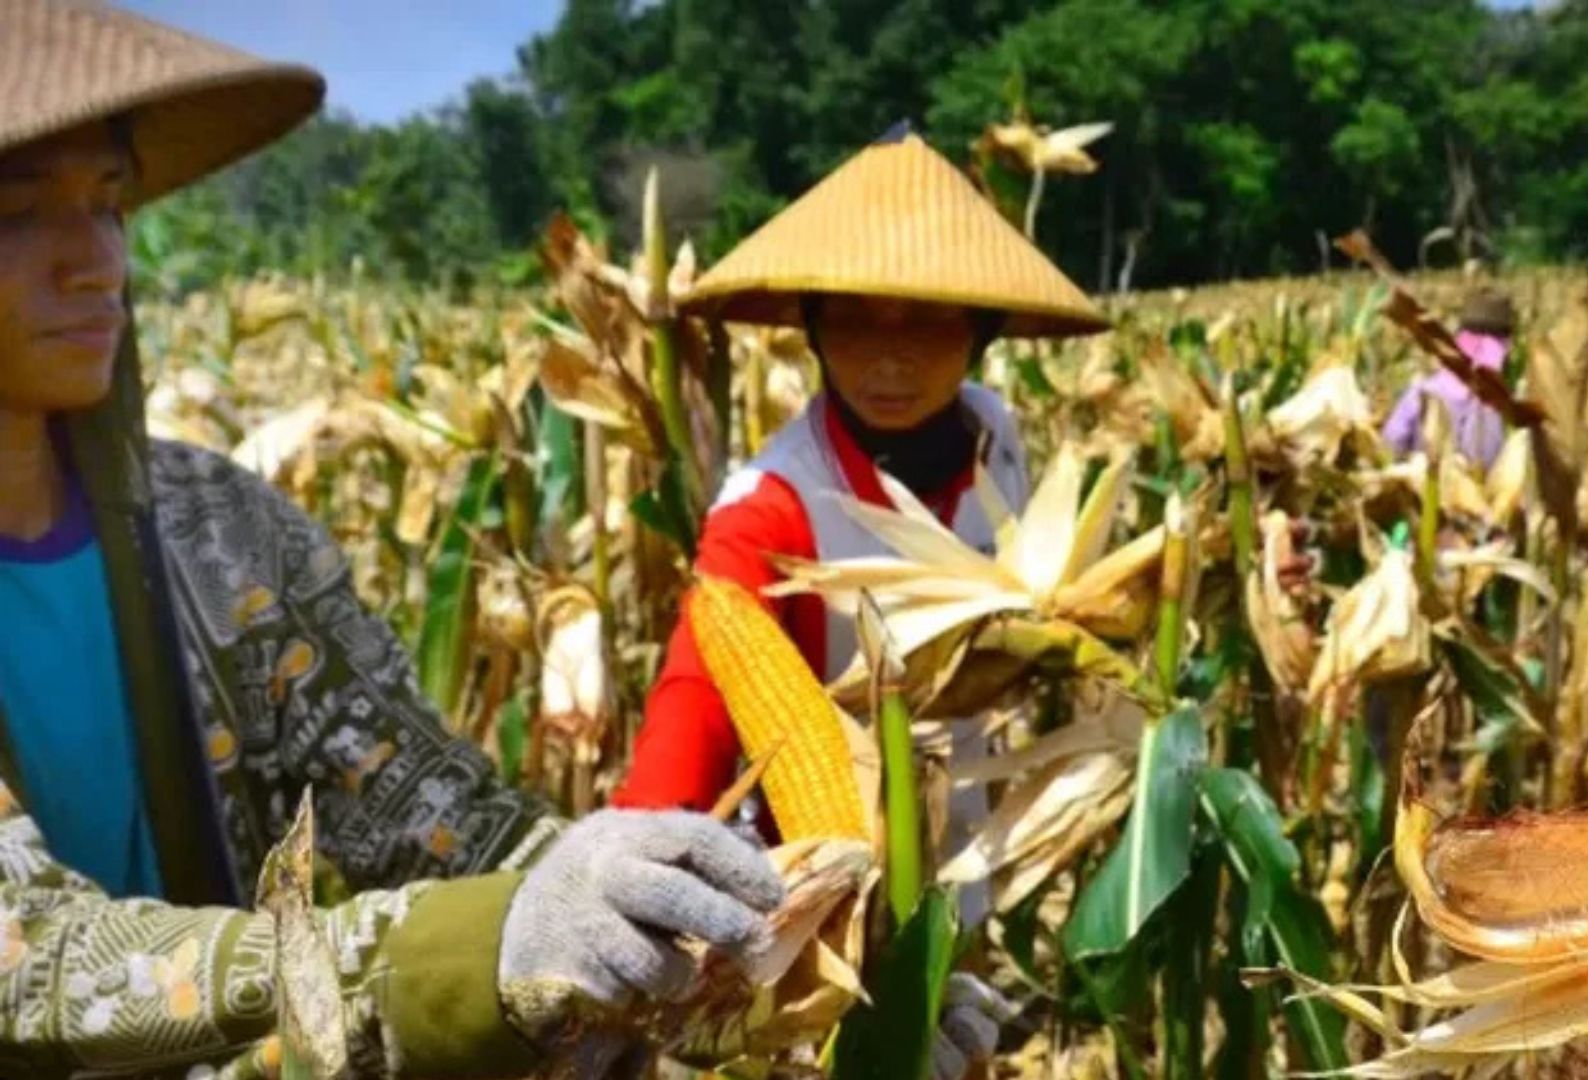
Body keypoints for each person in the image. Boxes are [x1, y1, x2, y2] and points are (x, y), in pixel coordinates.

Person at [0, 3, 779, 1075]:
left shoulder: (226, 538)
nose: (95, 264)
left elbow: (446, 821)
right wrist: (463, 952)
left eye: (109, 203)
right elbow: (32, 962)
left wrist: (768, 956)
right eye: (18, 214)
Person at [609, 124, 1109, 1078]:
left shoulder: (997, 436)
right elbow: (694, 707)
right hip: (815, 922)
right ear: (812, 325)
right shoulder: (767, 513)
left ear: (981, 332)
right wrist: (635, 872)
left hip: (965, 864)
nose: (889, 358)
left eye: (924, 322)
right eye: (856, 322)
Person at [1381, 288, 1516, 469]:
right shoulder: (1493, 406)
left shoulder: (1422, 389)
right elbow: (1489, 461)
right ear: (1505, 346)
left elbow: (1392, 442)